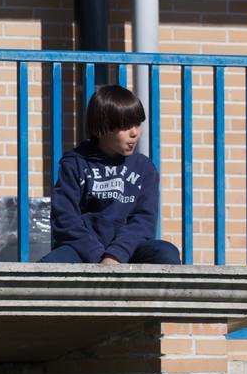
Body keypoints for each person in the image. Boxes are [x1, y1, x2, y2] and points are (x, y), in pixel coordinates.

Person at [41, 85, 181, 266]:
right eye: (125, 126)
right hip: (83, 250)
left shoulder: (144, 168)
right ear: (102, 129)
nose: (134, 133)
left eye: (137, 124)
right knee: (50, 265)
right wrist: (99, 257)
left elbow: (143, 222)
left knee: (166, 253)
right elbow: (65, 219)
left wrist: (115, 255)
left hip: (128, 250)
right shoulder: (74, 163)